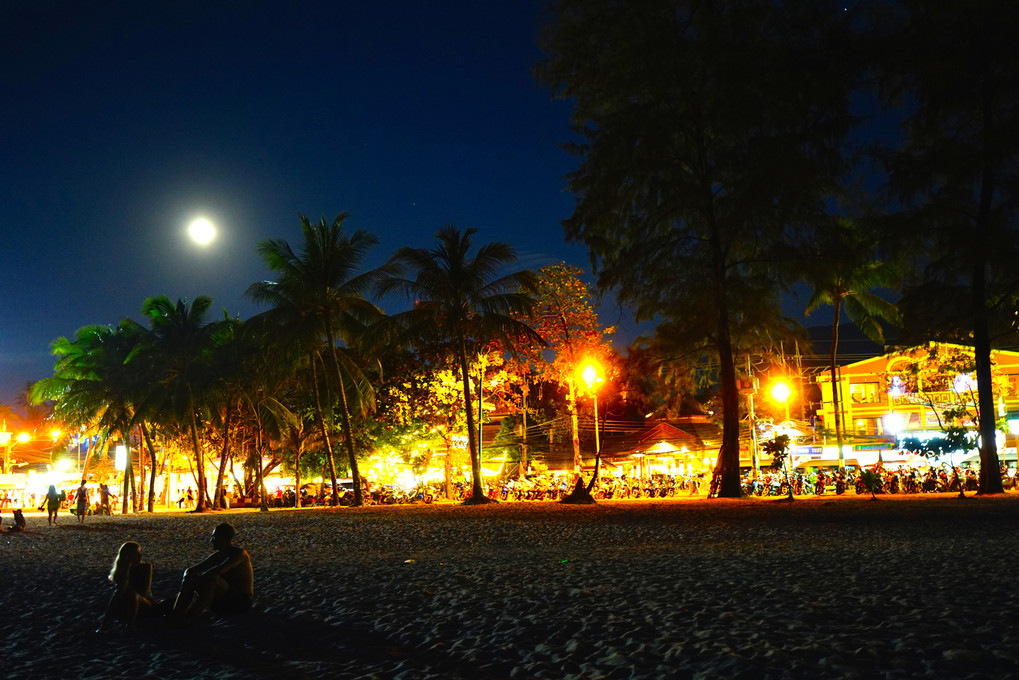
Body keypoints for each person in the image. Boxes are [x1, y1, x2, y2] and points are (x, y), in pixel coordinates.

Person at [171, 523, 253, 622]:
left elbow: (219, 570)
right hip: (222, 600)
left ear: (223, 538)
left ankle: (190, 617)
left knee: (212, 578)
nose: (211, 540)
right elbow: (190, 571)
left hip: (240, 601)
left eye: (214, 537)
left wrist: (199, 580)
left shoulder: (239, 554)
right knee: (191, 578)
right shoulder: (217, 555)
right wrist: (190, 579)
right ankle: (177, 614)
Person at [97, 541, 154, 632]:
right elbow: (121, 590)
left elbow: (144, 592)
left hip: (145, 602)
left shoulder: (146, 567)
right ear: (129, 556)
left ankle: (129, 626)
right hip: (126, 603)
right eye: (137, 554)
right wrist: (127, 571)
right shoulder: (122, 570)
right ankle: (104, 626)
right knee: (118, 594)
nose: (140, 556)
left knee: (132, 594)